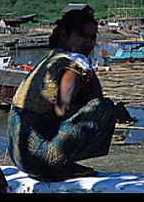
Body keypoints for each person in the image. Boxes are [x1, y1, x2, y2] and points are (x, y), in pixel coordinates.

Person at [7, 9, 116, 181]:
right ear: (64, 35)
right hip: (39, 159)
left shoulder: (53, 57)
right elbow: (63, 109)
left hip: (19, 157)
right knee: (105, 107)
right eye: (81, 35)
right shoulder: (72, 63)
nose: (88, 42)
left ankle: (59, 163)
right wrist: (85, 66)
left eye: (92, 37)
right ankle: (59, 166)